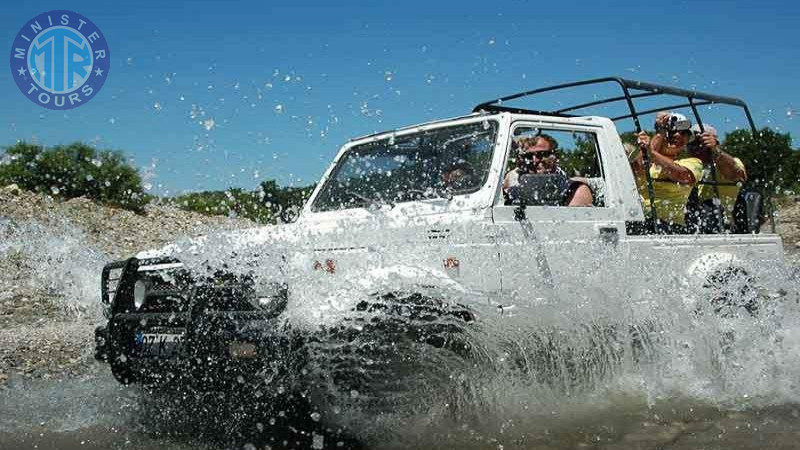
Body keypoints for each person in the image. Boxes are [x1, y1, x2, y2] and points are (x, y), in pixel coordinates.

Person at [629, 112, 704, 231]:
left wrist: (651, 152)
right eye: (672, 131)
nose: (678, 135)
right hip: (638, 221)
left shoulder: (693, 162)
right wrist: (660, 133)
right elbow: (638, 169)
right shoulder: (643, 154)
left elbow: (682, 175)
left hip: (670, 226)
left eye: (684, 133)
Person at [503, 135, 593, 207]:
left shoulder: (575, 191)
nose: (535, 160)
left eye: (542, 154)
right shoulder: (515, 188)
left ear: (555, 156)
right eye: (529, 156)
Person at [686, 124, 747, 229]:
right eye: (690, 144)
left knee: (710, 205)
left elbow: (737, 175)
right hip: (697, 223)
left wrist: (715, 150)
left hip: (724, 225)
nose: (694, 148)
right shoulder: (692, 168)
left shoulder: (730, 162)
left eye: (699, 143)